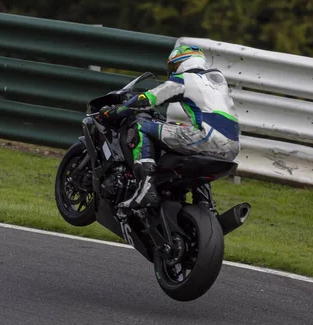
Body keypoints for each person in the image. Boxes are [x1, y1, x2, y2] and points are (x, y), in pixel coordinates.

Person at [98, 44, 240, 209]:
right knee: (188, 148)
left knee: (141, 126)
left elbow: (147, 99)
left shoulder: (185, 79)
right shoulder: (217, 80)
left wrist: (116, 111)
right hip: (232, 147)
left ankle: (146, 189)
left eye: (173, 66)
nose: (172, 71)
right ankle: (205, 203)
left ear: (183, 63)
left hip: (206, 137)